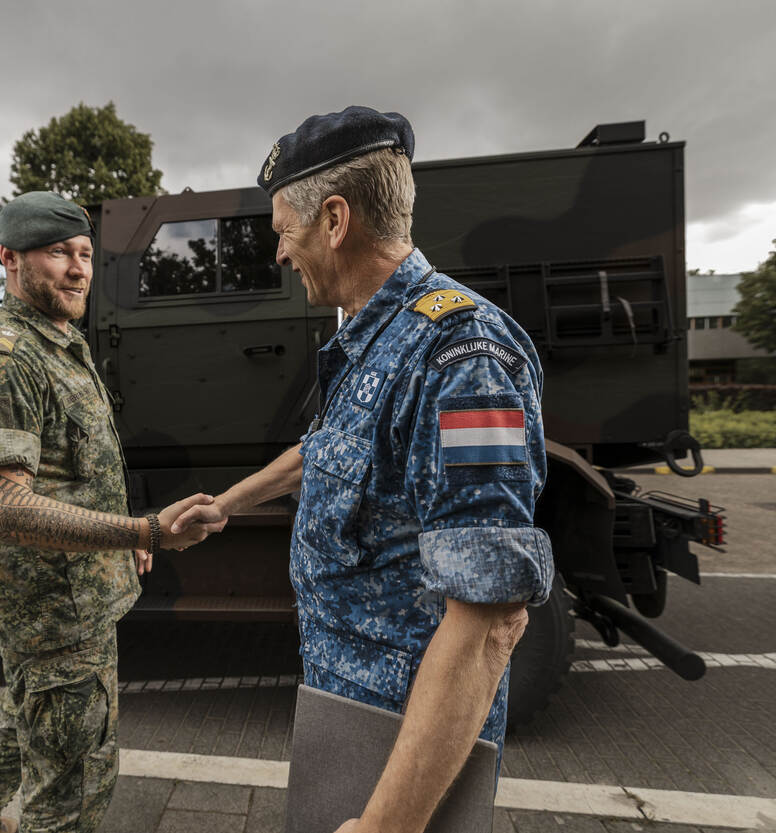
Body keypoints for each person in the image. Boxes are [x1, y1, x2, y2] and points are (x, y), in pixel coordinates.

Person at [174, 106, 554, 832]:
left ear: (335, 221)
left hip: (402, 749)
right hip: (345, 719)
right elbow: (328, 448)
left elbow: (492, 620)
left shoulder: (462, 357)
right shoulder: (373, 337)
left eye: (284, 231)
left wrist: (389, 823)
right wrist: (228, 504)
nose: (281, 255)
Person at [0, 191, 221, 833]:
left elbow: (75, 469)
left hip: (63, 600)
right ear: (8, 257)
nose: (78, 268)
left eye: (85, 254)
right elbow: (5, 508)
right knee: (72, 793)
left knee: (22, 708)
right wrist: (144, 530)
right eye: (58, 252)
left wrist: (121, 540)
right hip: (54, 613)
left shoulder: (58, 338)